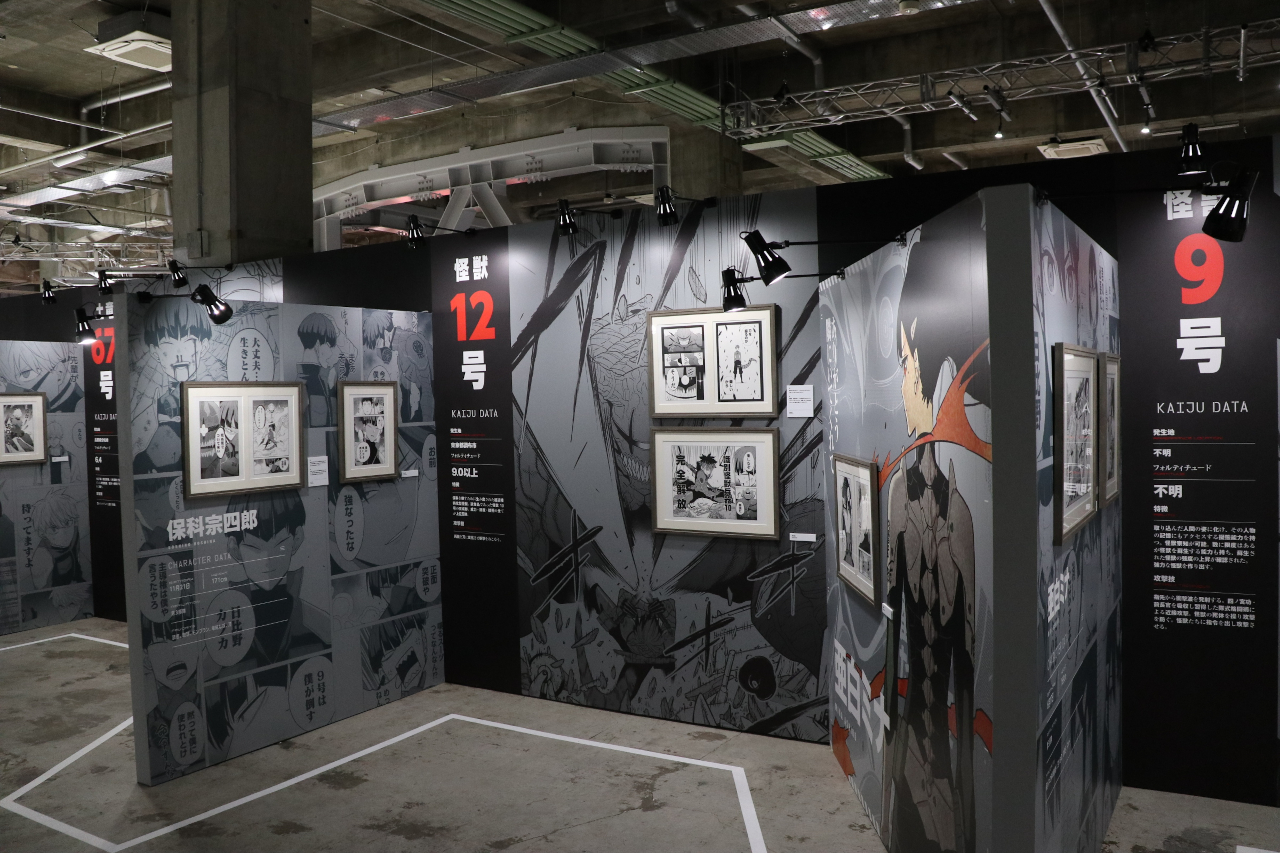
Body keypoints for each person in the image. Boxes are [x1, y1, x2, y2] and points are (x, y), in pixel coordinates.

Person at [881, 197, 985, 853]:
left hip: (938, 768)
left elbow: (965, 669)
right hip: (916, 757)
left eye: (906, 365)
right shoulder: (906, 492)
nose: (902, 386)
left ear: (933, 366)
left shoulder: (956, 511)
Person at [135, 299, 212, 473]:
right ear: (154, 351)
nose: (179, 354)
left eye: (189, 342)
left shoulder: (207, 397)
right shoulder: (155, 398)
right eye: (168, 345)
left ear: (204, 346)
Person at [31, 490, 85, 589]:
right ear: (42, 533)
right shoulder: (42, 555)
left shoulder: (74, 531)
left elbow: (77, 557)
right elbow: (40, 589)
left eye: (67, 523)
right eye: (54, 528)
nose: (63, 533)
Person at [296, 312, 340, 427]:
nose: (331, 352)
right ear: (317, 343)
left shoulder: (325, 378)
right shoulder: (305, 383)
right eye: (328, 345)